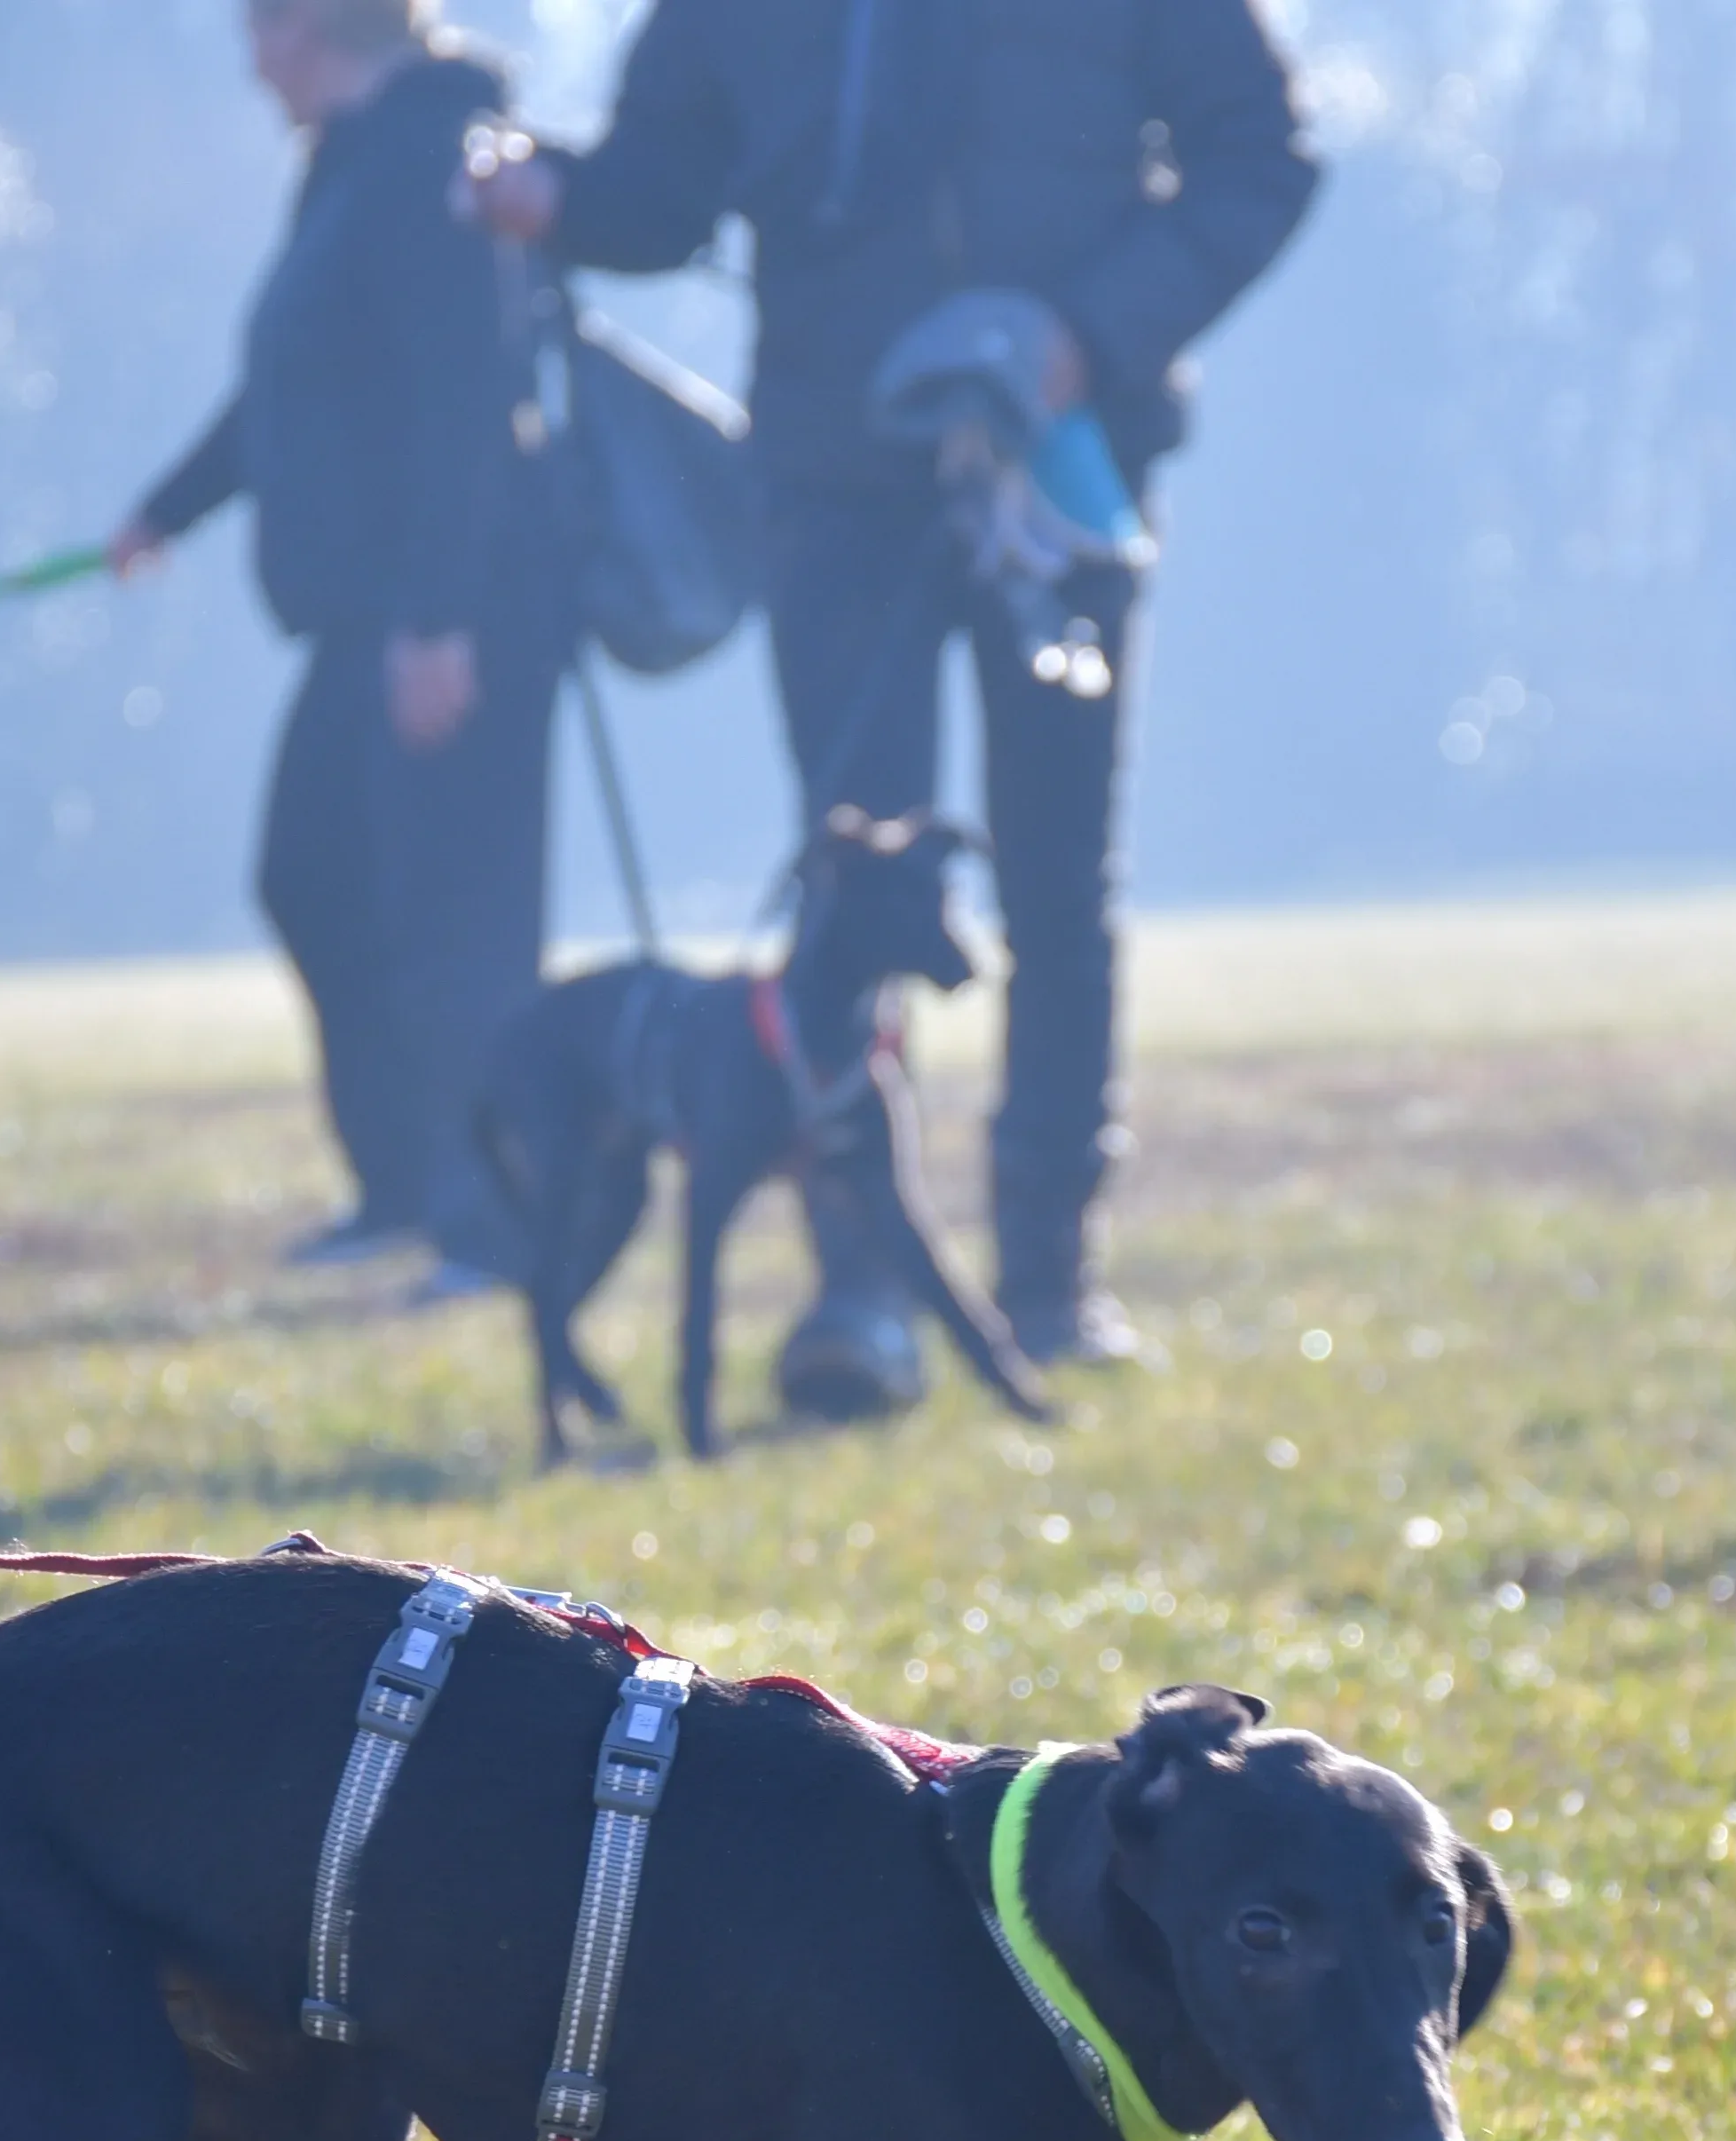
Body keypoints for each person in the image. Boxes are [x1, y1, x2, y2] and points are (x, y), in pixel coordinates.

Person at [470, 0, 1316, 1379]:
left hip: (1061, 459)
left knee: (1054, 881)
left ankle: (1050, 1281)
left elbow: (1262, 157)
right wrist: (556, 195)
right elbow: (664, 185)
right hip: (832, 471)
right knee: (854, 878)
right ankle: (860, 1295)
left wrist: (1085, 334)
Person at [116, 0, 557, 1286]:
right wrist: (166, 509)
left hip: (450, 619)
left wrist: (439, 623)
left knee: (454, 929)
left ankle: (496, 1223)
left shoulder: (435, 155)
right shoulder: (346, 166)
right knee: (316, 880)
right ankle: (405, 1189)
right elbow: (290, 388)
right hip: (366, 625)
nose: (250, 63)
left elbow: (465, 402)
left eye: (259, 30)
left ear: (314, 20)